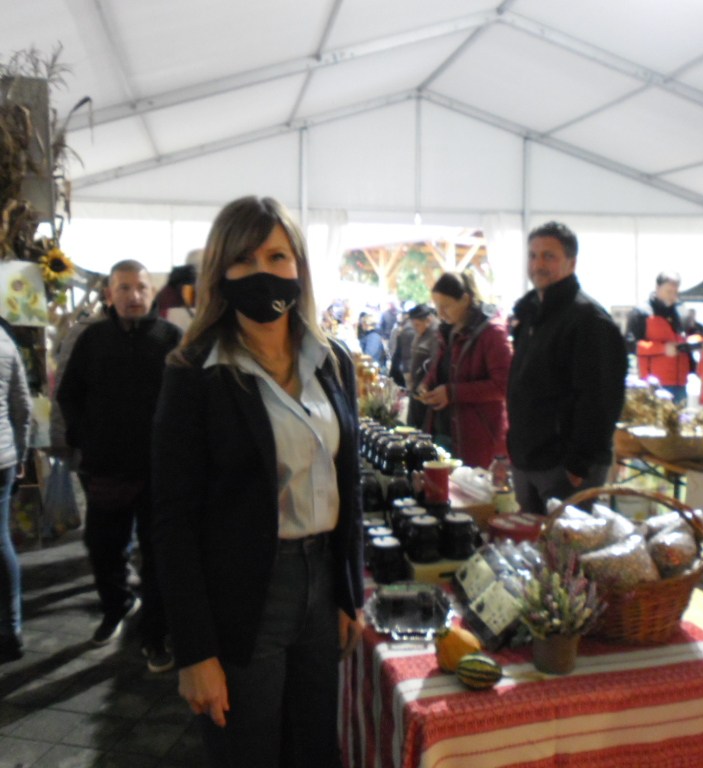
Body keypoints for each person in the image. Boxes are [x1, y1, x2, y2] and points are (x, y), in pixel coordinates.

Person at [151, 196, 364, 768]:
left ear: (299, 266)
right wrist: (194, 651)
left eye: (276, 256)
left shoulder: (333, 362)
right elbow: (171, 520)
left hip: (321, 584)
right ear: (220, 272)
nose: (262, 272)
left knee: (314, 750)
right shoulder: (195, 373)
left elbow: (348, 486)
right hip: (244, 595)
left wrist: (348, 591)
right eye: (243, 260)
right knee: (247, 753)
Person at [57, 260, 181, 672]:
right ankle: (117, 606)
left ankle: (155, 633)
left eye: (141, 287)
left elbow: (189, 402)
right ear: (110, 295)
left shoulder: (171, 339)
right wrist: (85, 438)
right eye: (124, 288)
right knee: (103, 547)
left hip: (159, 470)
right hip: (107, 467)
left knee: (159, 556)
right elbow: (69, 393)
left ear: (152, 292)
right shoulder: (92, 339)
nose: (133, 296)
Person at [506, 222, 627, 515]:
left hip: (564, 466)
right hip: (528, 458)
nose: (538, 264)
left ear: (571, 262)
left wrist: (579, 462)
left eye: (549, 256)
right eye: (533, 255)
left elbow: (601, 398)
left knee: (564, 542)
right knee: (530, 539)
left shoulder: (589, 320)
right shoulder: (531, 314)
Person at [418, 272, 511, 468]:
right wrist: (427, 384)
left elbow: (503, 386)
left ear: (466, 300)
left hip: (478, 440)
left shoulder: (492, 332)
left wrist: (452, 393)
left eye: (446, 306)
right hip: (444, 431)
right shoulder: (447, 330)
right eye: (436, 306)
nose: (440, 313)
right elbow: (442, 367)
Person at [0, 324, 31, 663]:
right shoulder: (5, 340)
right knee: (1, 541)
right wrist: (20, 454)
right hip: (2, 458)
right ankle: (11, 630)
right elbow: (22, 407)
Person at [626, 272, 692, 402]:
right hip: (655, 385)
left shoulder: (681, 312)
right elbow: (630, 345)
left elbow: (688, 336)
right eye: (669, 291)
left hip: (681, 385)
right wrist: (662, 348)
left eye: (675, 292)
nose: (672, 296)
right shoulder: (641, 312)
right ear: (657, 288)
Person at [406, 303, 438, 429]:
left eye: (417, 325)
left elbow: (435, 363)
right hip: (416, 386)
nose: (415, 328)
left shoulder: (436, 335)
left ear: (428, 320)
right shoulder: (420, 333)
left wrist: (425, 382)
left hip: (426, 389)